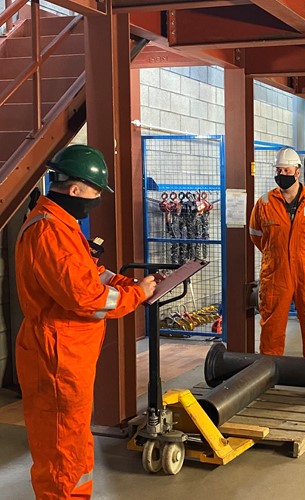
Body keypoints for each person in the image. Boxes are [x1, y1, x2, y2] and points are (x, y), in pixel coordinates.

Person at [15, 144, 157, 499]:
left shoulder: (62, 226)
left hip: (68, 352)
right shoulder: (49, 232)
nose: (97, 200)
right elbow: (84, 298)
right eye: (96, 192)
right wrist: (135, 296)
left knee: (73, 439)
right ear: (75, 189)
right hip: (58, 354)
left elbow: (90, 275)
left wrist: (129, 284)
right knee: (63, 447)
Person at [249, 147, 305, 358]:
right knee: (272, 323)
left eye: (286, 171)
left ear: (297, 172)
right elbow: (256, 236)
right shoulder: (264, 204)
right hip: (276, 274)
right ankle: (268, 370)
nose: (282, 175)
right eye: (279, 171)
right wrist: (276, 255)